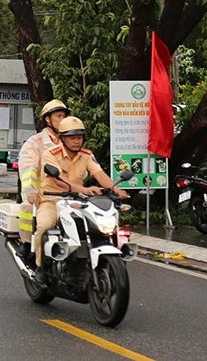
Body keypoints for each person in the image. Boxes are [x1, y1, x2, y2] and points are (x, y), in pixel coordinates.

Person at [33, 116, 126, 284]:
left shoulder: (86, 155)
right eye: (72, 137)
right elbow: (59, 179)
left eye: (79, 137)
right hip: (52, 200)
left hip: (78, 202)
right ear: (62, 138)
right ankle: (40, 267)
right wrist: (84, 189)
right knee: (44, 226)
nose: (77, 141)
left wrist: (116, 189)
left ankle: (84, 261)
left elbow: (99, 174)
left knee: (96, 228)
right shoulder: (50, 154)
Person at [15, 99, 70, 260]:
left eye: (64, 116)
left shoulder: (71, 141)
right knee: (28, 207)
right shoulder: (35, 143)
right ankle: (26, 243)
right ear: (48, 119)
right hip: (41, 195)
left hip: (66, 196)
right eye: (58, 116)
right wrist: (31, 192)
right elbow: (28, 169)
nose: (62, 120)